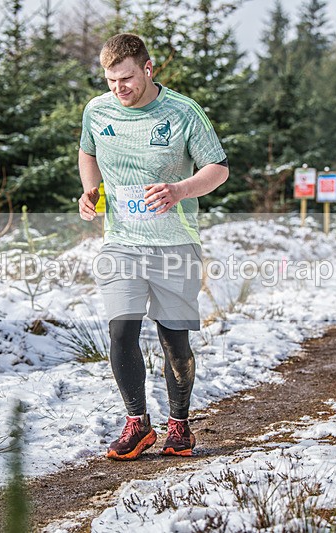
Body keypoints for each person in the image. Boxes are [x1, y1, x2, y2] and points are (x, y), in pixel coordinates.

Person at [78, 33, 229, 460]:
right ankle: (137, 423)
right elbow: (88, 151)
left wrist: (180, 189)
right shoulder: (97, 110)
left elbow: (218, 168)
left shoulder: (182, 112)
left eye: (126, 78)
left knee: (173, 339)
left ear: (148, 69)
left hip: (175, 243)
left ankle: (179, 425)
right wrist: (91, 190)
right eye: (111, 81)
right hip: (121, 242)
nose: (118, 88)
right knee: (121, 330)